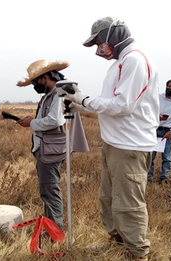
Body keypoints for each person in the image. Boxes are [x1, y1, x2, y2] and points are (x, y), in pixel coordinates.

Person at [65, 17, 159, 261]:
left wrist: (83, 100)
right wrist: (78, 105)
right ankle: (118, 244)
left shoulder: (135, 60)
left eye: (99, 42)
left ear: (114, 35)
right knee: (108, 199)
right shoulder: (121, 63)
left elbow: (123, 105)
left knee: (128, 203)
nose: (98, 50)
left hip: (130, 146)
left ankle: (137, 254)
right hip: (114, 143)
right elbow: (109, 104)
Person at [16, 59, 88, 232]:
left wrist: (32, 123)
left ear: (46, 76)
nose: (35, 85)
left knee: (50, 193)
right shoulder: (53, 94)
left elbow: (55, 120)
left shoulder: (57, 94)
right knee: (48, 192)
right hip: (51, 148)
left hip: (52, 151)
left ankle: (55, 234)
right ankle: (52, 229)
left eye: (36, 81)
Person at [148, 78, 171, 184]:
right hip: (154, 130)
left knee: (167, 157)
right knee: (150, 155)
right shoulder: (156, 97)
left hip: (168, 132)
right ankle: (148, 176)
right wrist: (156, 117)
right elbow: (148, 111)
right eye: (169, 86)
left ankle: (164, 177)